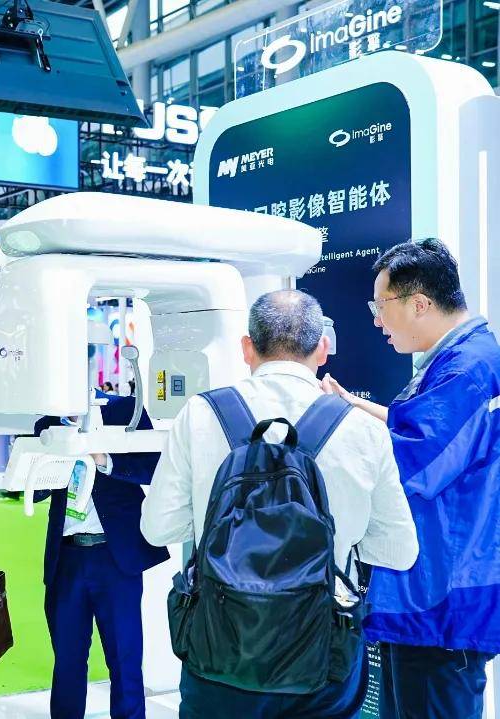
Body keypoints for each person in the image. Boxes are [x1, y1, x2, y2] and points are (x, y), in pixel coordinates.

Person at [141, 289, 419, 718]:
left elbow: (157, 528)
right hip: (321, 657)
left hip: (218, 651)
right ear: (322, 348)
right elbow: (399, 552)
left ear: (247, 347)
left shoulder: (200, 414)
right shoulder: (362, 429)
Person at [323, 239, 500, 718]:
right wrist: (352, 405)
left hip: (439, 598)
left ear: (419, 303)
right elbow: (420, 430)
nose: (377, 321)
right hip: (432, 590)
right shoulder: (460, 360)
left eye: (381, 306)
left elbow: (416, 463)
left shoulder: (467, 369)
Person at [33, 389, 170, 719]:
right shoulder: (48, 424)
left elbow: (154, 467)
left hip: (115, 558)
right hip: (66, 559)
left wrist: (105, 460)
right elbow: (33, 490)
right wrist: (47, 466)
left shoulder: (125, 410)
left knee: (124, 658)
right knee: (67, 660)